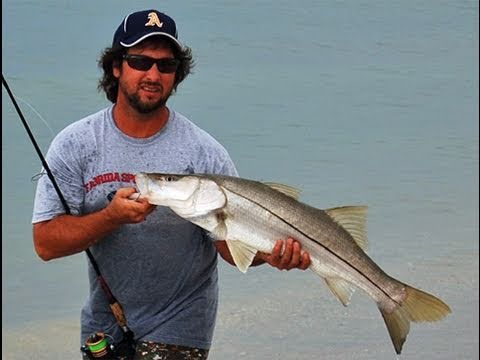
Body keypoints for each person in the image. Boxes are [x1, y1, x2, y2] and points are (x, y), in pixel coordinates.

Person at [32, 9, 311, 360]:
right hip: (103, 328)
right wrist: (111, 217)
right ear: (116, 66)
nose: (153, 75)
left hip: (181, 329)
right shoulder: (75, 144)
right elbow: (45, 244)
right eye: (140, 61)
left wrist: (272, 255)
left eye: (165, 66)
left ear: (177, 74)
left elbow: (229, 248)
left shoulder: (205, 153)